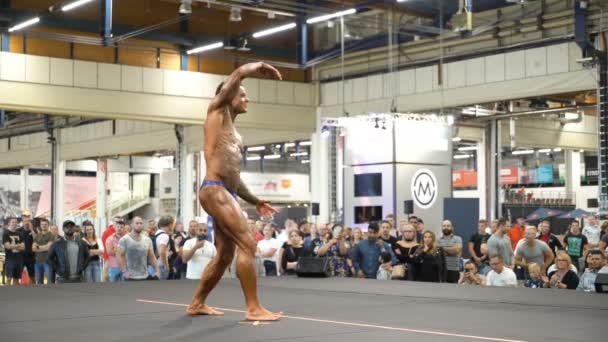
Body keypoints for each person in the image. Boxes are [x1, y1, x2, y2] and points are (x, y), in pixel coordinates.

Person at [117, 217, 161, 281]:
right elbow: (118, 256)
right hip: (130, 277)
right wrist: (124, 271)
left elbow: (152, 256)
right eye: (137, 223)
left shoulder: (147, 240)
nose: (139, 225)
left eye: (141, 223)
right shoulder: (124, 240)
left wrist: (157, 271)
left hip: (145, 276)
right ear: (132, 225)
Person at [2, 217, 25, 286]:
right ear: (9, 223)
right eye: (13, 222)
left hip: (19, 259)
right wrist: (19, 245)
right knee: (9, 278)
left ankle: (16, 295)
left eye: (16, 222)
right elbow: (7, 246)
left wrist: (13, 246)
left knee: (17, 279)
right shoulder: (6, 233)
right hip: (10, 259)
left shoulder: (20, 234)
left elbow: (23, 247)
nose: (15, 223)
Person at [32, 218, 55, 284]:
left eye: (45, 224)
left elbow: (48, 248)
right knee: (39, 282)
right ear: (40, 225)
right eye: (42, 224)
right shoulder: (38, 235)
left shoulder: (51, 235)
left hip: (47, 262)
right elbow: (33, 248)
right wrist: (43, 247)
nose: (44, 226)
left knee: (50, 282)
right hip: (38, 262)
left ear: (48, 225)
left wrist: (38, 247)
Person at [154, 215, 177, 280]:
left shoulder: (157, 233)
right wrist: (166, 265)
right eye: (173, 224)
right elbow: (162, 251)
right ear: (170, 225)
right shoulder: (164, 236)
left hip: (156, 264)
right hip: (162, 266)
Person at [18, 215, 36, 284]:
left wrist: (32, 230)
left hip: (31, 257)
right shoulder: (18, 231)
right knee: (18, 276)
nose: (26, 223)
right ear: (22, 222)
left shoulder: (33, 231)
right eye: (25, 221)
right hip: (21, 256)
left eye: (28, 221)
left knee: (32, 276)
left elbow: (36, 240)